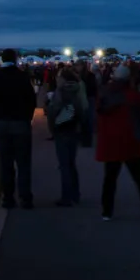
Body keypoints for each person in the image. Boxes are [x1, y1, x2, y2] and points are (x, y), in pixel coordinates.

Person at [95, 65, 140, 220]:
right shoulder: (134, 96)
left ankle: (106, 211)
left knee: (109, 179)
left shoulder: (105, 95)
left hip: (110, 142)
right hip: (130, 141)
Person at [0, 49, 37, 209]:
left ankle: (8, 198)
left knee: (5, 163)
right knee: (23, 164)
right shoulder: (22, 77)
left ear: (1, 59)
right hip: (20, 122)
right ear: (15, 59)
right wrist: (26, 117)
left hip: (2, 123)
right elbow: (31, 100)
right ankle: (25, 198)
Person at [46, 67, 89, 207]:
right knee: (71, 164)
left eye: (59, 77)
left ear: (63, 78)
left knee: (64, 165)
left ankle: (66, 197)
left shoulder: (60, 92)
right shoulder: (78, 89)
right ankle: (75, 194)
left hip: (61, 129)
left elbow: (54, 111)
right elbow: (83, 109)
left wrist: (52, 126)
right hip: (73, 128)